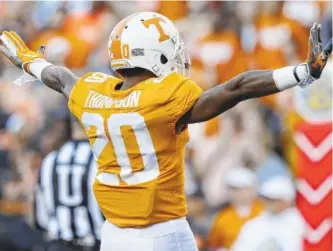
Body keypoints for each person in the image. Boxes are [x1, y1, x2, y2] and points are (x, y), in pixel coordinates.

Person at [0, 11, 331, 251]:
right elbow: (238, 87)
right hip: (163, 232)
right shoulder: (164, 98)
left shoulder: (90, 93)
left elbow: (58, 77)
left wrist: (28, 61)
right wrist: (302, 72)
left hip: (114, 236)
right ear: (155, 55)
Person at [34, 112, 104, 251]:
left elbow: (40, 219)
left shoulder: (50, 160)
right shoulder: (102, 160)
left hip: (58, 245)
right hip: (95, 244)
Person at [231, 176, 305, 251]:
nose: (268, 203)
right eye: (266, 198)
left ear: (286, 200)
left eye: (273, 199)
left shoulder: (301, 224)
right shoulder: (253, 225)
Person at [207, 167, 263, 250]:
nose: (235, 193)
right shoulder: (222, 217)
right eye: (232, 189)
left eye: (240, 189)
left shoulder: (264, 211)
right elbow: (214, 245)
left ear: (252, 189)